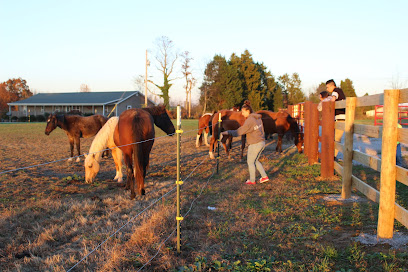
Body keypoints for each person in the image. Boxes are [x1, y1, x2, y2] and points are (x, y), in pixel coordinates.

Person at [221, 100, 269, 185]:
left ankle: (252, 180)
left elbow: (239, 132)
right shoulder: (257, 118)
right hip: (261, 142)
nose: (242, 114)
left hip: (255, 144)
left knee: (250, 162)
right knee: (255, 160)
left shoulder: (250, 120)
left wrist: (228, 132)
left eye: (243, 112)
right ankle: (264, 177)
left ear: (247, 111)